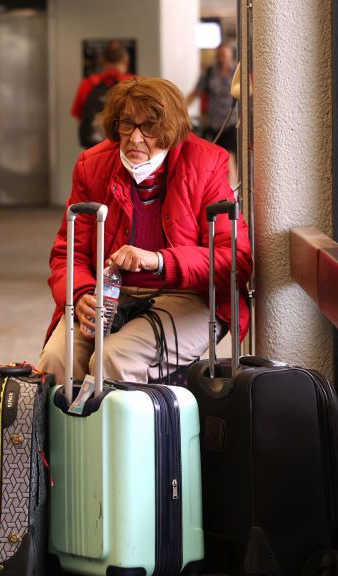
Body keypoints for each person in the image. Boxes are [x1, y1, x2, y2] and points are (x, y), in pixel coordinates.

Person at [38, 76, 253, 383]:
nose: (135, 139)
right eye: (127, 124)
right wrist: (82, 293)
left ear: (170, 130)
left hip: (189, 297)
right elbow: (66, 254)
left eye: (149, 127)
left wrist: (158, 260)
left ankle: (119, 432)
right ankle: (65, 432)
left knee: (111, 359)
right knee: (57, 359)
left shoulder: (207, 163)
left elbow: (234, 259)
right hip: (109, 295)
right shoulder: (91, 166)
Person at [71, 41, 134, 149]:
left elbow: (78, 114)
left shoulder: (88, 83)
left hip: (94, 147)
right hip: (125, 146)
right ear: (126, 62)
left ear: (102, 61)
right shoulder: (134, 82)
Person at [186, 43, 238, 160]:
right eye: (220, 54)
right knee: (217, 156)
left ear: (230, 55)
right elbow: (196, 92)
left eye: (225, 55)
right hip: (213, 123)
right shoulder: (209, 72)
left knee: (229, 157)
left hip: (231, 121)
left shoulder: (236, 72)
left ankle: (230, 178)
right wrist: (181, 108)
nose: (223, 57)